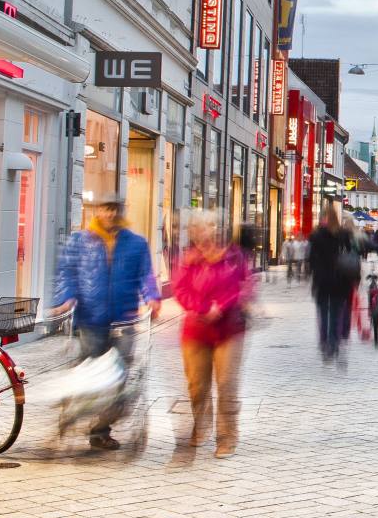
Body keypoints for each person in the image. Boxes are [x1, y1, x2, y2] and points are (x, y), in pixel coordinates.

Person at [51, 194, 161, 450]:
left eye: (114, 209)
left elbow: (145, 274)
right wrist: (66, 298)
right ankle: (72, 410)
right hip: (91, 319)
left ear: (120, 212)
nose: (110, 214)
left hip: (124, 320)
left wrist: (152, 297)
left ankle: (100, 431)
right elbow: (67, 272)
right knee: (91, 376)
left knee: (118, 378)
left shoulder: (136, 243)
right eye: (105, 209)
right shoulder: (80, 241)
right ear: (97, 211)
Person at [172, 213, 253, 458]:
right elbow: (179, 289)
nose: (205, 231)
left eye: (210, 225)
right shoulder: (188, 259)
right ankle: (201, 425)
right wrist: (201, 308)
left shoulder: (235, 256)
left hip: (229, 329)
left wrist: (222, 305)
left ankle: (227, 438)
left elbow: (245, 286)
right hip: (196, 330)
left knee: (226, 385)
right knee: (197, 385)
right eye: (199, 226)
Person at [307, 212, 360, 366]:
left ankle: (325, 344)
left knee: (323, 314)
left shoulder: (316, 236)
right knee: (336, 314)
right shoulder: (343, 236)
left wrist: (312, 273)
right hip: (339, 281)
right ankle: (334, 343)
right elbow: (352, 255)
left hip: (322, 281)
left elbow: (311, 260)